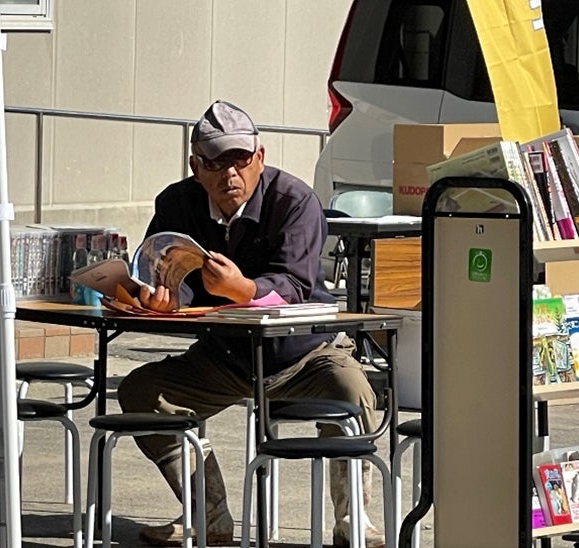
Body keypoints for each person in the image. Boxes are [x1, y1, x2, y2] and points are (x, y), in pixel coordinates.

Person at [117, 100, 384, 547]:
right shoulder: (176, 204)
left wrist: (243, 289)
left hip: (304, 354)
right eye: (215, 163)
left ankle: (353, 518)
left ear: (260, 157)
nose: (230, 174)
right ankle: (209, 514)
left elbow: (295, 283)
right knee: (141, 392)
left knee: (353, 391)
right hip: (224, 355)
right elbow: (162, 273)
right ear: (195, 167)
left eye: (240, 160)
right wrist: (160, 297)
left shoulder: (294, 200)